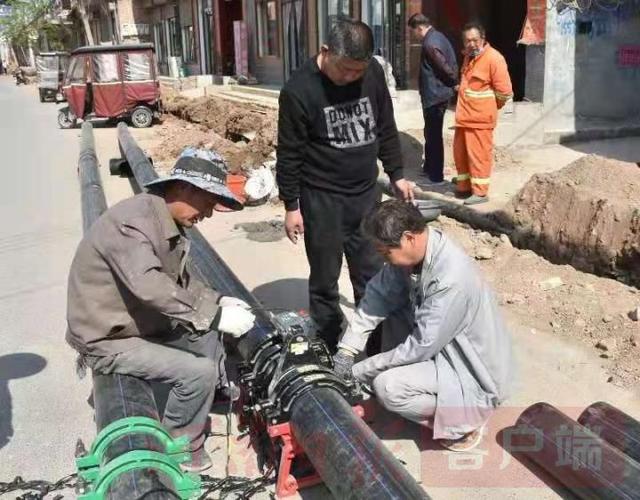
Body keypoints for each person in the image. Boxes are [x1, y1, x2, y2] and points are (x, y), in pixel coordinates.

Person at [66, 150, 256, 471]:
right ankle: (180, 448)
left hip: (135, 323)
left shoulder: (164, 221)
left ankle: (204, 397)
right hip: (108, 338)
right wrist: (215, 315)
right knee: (199, 372)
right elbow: (152, 286)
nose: (208, 214)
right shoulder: (133, 225)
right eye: (208, 203)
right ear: (183, 189)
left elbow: (182, 282)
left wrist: (217, 302)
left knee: (208, 336)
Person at [276, 18, 413, 355]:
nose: (352, 77)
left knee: (371, 274)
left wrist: (396, 173)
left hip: (366, 195)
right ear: (326, 51)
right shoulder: (299, 90)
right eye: (345, 70)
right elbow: (289, 152)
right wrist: (291, 205)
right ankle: (328, 344)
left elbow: (385, 125)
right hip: (321, 199)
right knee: (325, 280)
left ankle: (375, 348)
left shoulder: (373, 74)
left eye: (358, 71)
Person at [332, 199, 513, 452]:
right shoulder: (414, 255)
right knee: (392, 309)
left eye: (385, 252)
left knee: (388, 387)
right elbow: (377, 296)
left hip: (470, 368)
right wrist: (347, 350)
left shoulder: (451, 279)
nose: (382, 258)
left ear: (408, 238)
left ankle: (463, 422)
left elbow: (420, 346)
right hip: (439, 347)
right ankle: (420, 389)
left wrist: (360, 370)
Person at [454, 21, 513, 205]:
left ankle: (479, 193)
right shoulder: (469, 57)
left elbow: (504, 92)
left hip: (480, 118)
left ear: (483, 39)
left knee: (479, 156)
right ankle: (464, 187)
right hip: (464, 117)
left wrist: (490, 106)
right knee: (461, 155)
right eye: (467, 40)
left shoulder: (494, 59)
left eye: (474, 40)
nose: (471, 44)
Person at [407, 14, 458, 187]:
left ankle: (436, 177)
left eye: (413, 32)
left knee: (434, 135)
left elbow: (444, 67)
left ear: (419, 28)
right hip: (437, 94)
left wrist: (455, 83)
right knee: (430, 132)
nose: (414, 36)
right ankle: (429, 168)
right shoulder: (438, 36)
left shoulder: (430, 43)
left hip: (435, 96)